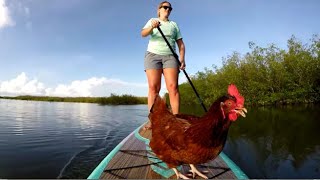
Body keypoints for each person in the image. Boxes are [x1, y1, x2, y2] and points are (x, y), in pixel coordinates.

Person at [141, 1, 186, 120]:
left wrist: (182, 59)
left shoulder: (174, 25)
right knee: (153, 88)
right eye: (165, 7)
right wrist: (152, 26)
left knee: (173, 87)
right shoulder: (152, 20)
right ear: (159, 9)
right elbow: (143, 33)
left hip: (170, 57)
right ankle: (153, 120)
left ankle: (176, 119)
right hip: (152, 56)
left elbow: (181, 44)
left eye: (170, 8)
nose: (168, 9)